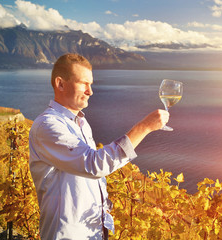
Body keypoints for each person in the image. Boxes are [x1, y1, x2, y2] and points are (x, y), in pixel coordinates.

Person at [29, 53, 169, 240]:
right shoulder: (47, 126)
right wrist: (144, 128)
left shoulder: (80, 123)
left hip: (91, 233)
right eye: (83, 83)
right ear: (60, 84)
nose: (90, 91)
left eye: (91, 84)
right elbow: (94, 165)